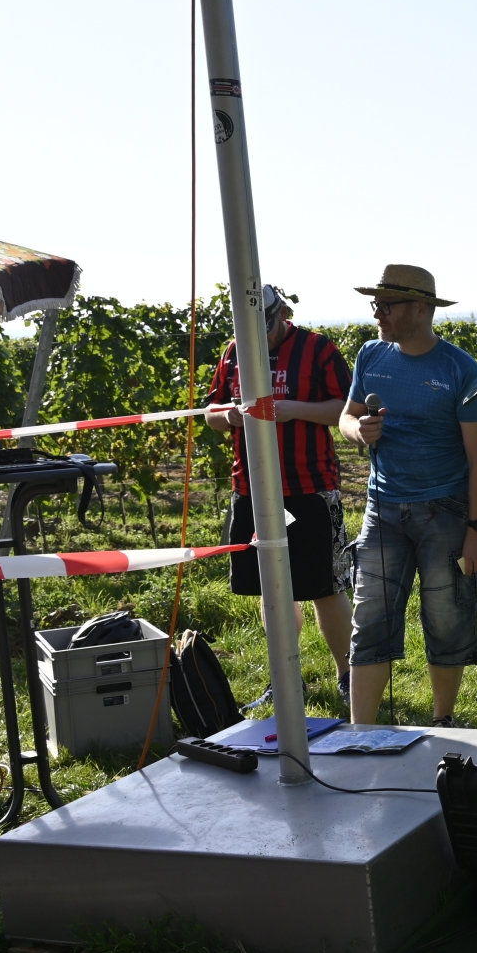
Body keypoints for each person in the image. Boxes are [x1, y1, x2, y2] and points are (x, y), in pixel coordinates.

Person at [338, 264, 477, 727]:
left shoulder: (460, 369)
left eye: (387, 306)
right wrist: (358, 431)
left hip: (445, 511)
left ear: (421, 309)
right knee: (370, 619)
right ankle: (360, 732)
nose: (377, 314)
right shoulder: (370, 355)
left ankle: (443, 720)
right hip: (381, 509)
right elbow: (346, 417)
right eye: (376, 304)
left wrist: (476, 531)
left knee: (447, 617)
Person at [204, 283, 355, 704]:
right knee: (272, 588)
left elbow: (347, 409)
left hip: (309, 488)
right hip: (251, 489)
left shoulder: (318, 349)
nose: (256, 337)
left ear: (281, 314)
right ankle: (285, 676)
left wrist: (294, 410)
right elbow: (210, 411)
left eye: (263, 328)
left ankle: (349, 675)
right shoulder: (233, 352)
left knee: (325, 586)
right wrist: (229, 416)